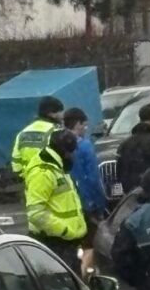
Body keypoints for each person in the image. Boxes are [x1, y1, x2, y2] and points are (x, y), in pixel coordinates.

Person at [24, 129, 87, 274]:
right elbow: (36, 214)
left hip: (65, 244)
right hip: (54, 243)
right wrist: (65, 231)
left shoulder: (57, 167)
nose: (73, 156)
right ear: (63, 152)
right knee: (63, 284)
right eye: (71, 152)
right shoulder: (43, 172)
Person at [63, 107, 108, 276]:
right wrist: (99, 204)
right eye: (84, 125)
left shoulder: (57, 143)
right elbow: (93, 179)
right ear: (77, 124)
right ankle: (84, 277)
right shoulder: (84, 146)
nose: (85, 129)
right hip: (86, 203)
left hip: (64, 204)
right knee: (90, 243)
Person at [11, 96, 64, 175]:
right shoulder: (56, 132)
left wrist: (25, 176)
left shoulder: (22, 133)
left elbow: (16, 161)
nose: (63, 116)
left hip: (30, 178)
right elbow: (65, 159)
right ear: (51, 114)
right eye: (61, 112)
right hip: (52, 178)